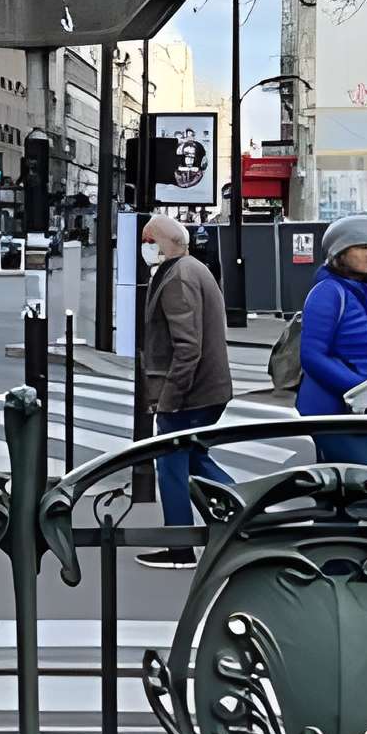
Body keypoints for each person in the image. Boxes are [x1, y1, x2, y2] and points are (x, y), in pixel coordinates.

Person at [135, 214, 236, 569]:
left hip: (189, 394)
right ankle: (243, 515)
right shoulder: (194, 268)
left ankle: (179, 546)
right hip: (208, 389)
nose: (144, 247)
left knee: (172, 467)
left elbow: (187, 347)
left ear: (162, 242)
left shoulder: (177, 278)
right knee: (194, 459)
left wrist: (169, 401)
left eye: (148, 240)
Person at [296, 214, 367, 466]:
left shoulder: (361, 291)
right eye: (362, 247)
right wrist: (361, 388)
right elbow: (312, 355)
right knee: (360, 486)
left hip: (359, 411)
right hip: (332, 410)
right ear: (339, 253)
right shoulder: (328, 292)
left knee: (341, 488)